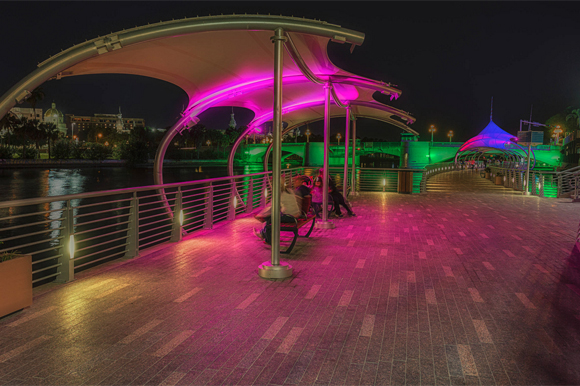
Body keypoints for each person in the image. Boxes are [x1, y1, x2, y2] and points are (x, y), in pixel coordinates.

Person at [253, 178, 301, 243]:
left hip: (290, 217)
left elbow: (271, 207)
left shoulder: (278, 194)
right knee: (271, 218)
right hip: (296, 215)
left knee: (269, 220)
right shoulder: (289, 190)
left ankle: (268, 239)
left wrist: (260, 215)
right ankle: (263, 234)